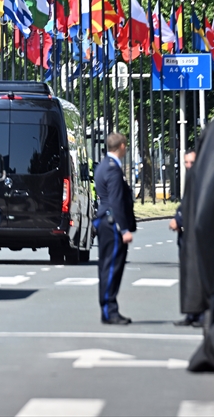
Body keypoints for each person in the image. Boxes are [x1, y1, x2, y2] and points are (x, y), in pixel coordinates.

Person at [95, 132, 136, 325]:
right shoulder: (113, 169)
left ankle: (108, 308)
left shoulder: (103, 165)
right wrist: (124, 229)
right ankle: (109, 310)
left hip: (105, 221)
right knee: (111, 268)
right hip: (112, 224)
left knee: (107, 267)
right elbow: (116, 201)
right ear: (121, 146)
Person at [170, 148, 199, 327]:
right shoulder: (191, 178)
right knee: (187, 274)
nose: (188, 166)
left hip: (196, 235)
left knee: (196, 274)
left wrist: (179, 219)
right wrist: (177, 217)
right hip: (185, 234)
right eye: (186, 163)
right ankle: (191, 313)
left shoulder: (201, 178)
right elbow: (185, 203)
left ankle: (199, 314)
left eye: (192, 163)